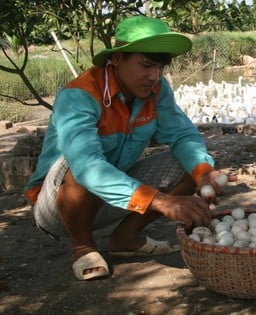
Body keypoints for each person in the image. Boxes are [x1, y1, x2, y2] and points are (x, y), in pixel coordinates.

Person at [24, 16, 235, 281]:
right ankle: (83, 246)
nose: (154, 76)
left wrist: (204, 172)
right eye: (146, 65)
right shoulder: (79, 96)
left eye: (160, 68)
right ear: (117, 59)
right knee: (80, 167)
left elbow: (182, 135)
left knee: (192, 164)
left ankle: (125, 237)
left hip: (112, 197)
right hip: (58, 209)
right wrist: (160, 201)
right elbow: (88, 168)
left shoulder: (157, 90)